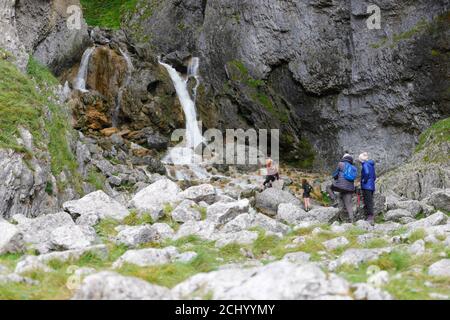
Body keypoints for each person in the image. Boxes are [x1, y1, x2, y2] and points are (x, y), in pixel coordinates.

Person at [327, 153, 357, 222]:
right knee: (348, 204)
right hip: (350, 188)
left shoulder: (340, 164)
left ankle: (334, 199)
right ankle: (352, 220)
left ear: (344, 158)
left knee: (328, 187)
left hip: (339, 186)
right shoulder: (354, 168)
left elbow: (335, 174)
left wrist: (335, 178)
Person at [359, 152, 376, 225]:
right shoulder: (371, 165)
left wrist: (364, 180)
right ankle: (370, 216)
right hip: (371, 185)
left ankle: (370, 217)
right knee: (370, 200)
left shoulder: (365, 164)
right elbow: (374, 176)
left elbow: (366, 173)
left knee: (367, 201)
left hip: (366, 186)